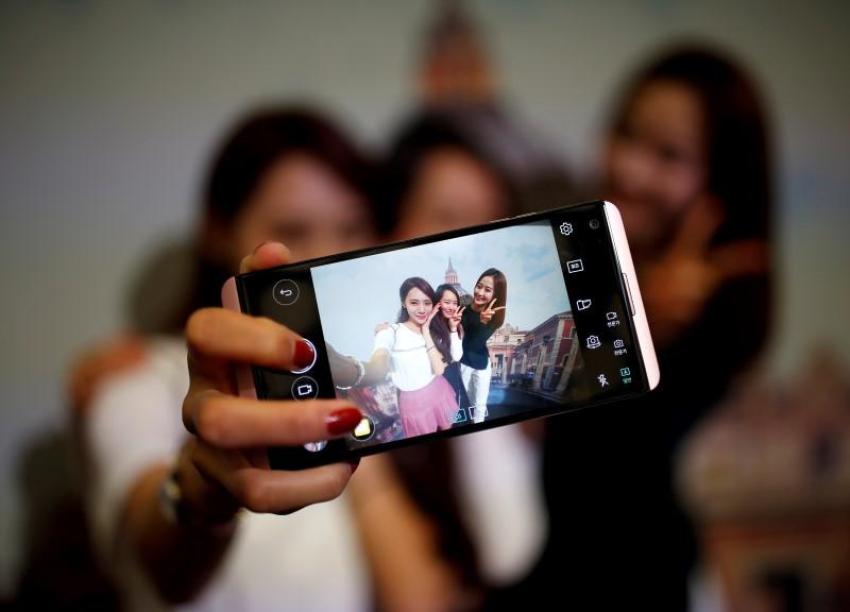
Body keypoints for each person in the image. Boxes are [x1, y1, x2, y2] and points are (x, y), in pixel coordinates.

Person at [489, 45, 773, 610]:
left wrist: (639, 333)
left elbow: (610, 491)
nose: (630, 168)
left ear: (720, 181)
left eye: (669, 154)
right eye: (627, 135)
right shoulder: (559, 261)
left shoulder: (719, 307)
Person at [80, 107, 381, 611]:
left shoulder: (370, 376)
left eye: (352, 227)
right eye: (294, 230)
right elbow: (153, 559)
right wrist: (203, 492)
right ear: (219, 233)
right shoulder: (139, 380)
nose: (330, 257)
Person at [459, 269, 507, 424]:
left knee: (479, 405)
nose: (480, 292)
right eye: (479, 286)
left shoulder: (495, 315)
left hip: (481, 362)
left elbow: (475, 343)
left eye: (487, 290)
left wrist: (484, 322)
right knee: (461, 402)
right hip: (463, 362)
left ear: (496, 294)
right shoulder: (462, 309)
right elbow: (463, 343)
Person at [432, 283, 471, 424]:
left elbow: (456, 357)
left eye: (455, 303)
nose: (451, 307)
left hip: (454, 380)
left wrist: (453, 329)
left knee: (459, 420)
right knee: (446, 422)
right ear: (438, 303)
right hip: (438, 383)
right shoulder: (429, 327)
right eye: (447, 302)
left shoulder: (456, 325)